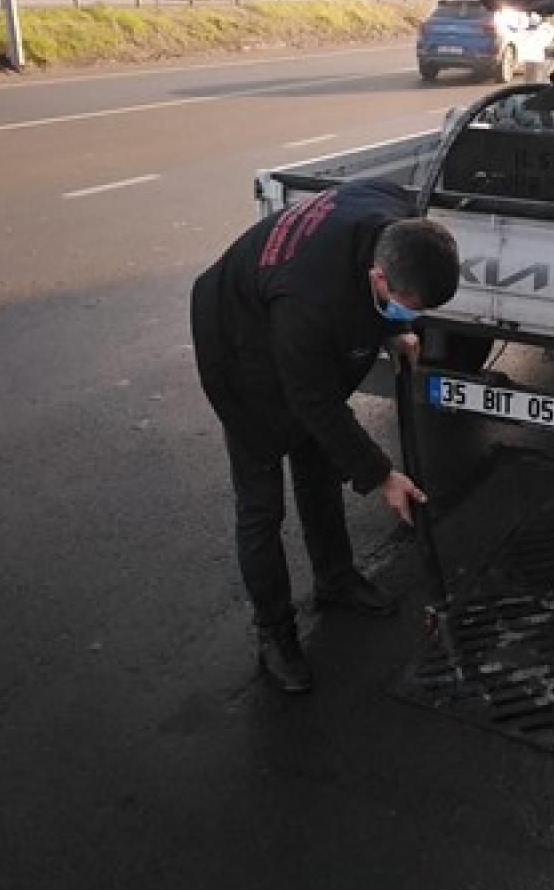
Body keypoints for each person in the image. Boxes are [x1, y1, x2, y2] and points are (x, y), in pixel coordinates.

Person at [190, 179, 460, 694]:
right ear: (378, 276)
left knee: (318, 465)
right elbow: (312, 401)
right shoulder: (312, 301)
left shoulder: (396, 212)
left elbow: (324, 394)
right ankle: (275, 635)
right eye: (405, 305)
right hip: (239, 346)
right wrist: (383, 477)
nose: (414, 317)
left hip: (292, 330)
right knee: (262, 504)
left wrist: (392, 328)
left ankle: (335, 579)